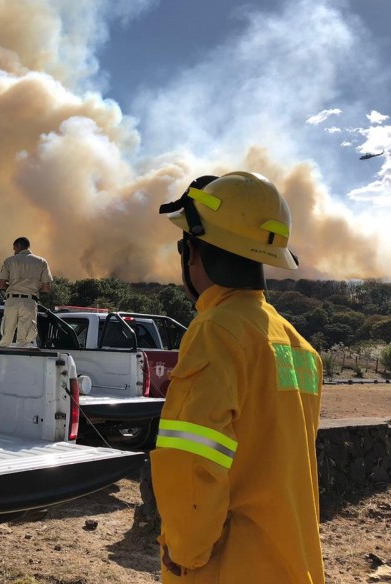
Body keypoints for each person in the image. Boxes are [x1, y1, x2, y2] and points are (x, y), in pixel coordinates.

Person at [151, 171, 324, 583]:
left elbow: (193, 457)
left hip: (231, 568)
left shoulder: (216, 331)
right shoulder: (300, 346)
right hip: (291, 562)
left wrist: (184, 548)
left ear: (192, 250)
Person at [0, 237, 53, 347]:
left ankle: (1, 361)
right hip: (29, 302)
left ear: (19, 246)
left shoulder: (9, 261)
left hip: (11, 301)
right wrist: (33, 290)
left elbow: (1, 284)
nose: (14, 252)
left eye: (14, 249)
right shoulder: (41, 262)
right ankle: (20, 363)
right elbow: (46, 288)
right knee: (24, 340)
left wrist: (12, 287)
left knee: (6, 337)